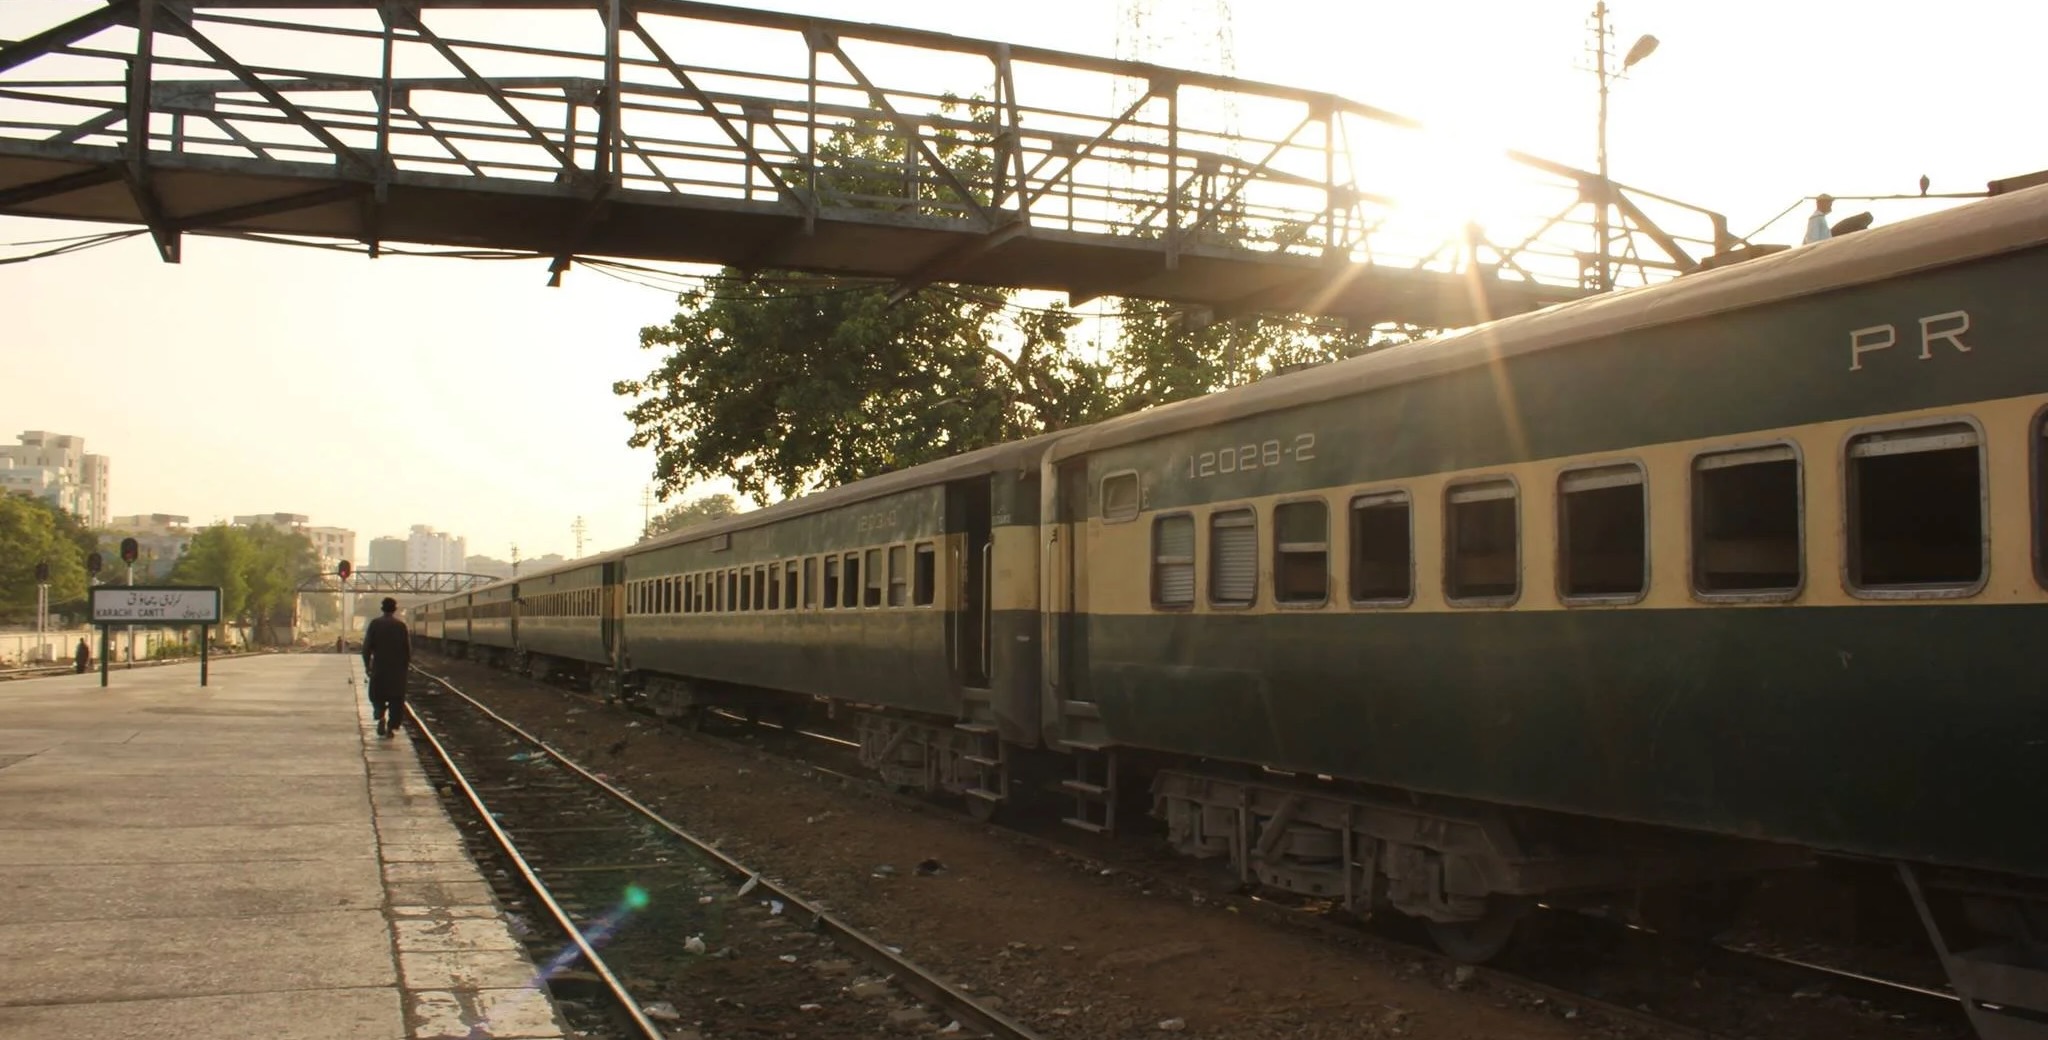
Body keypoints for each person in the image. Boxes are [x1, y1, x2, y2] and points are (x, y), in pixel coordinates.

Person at [360, 597, 412, 738]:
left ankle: (380, 715)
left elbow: (366, 648)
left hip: (379, 668)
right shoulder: (401, 626)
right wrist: (405, 667)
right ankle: (391, 727)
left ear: (382, 609)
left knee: (377, 695)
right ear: (394, 609)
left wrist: (367, 665)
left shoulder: (375, 624)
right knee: (397, 699)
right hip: (396, 670)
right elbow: (407, 650)